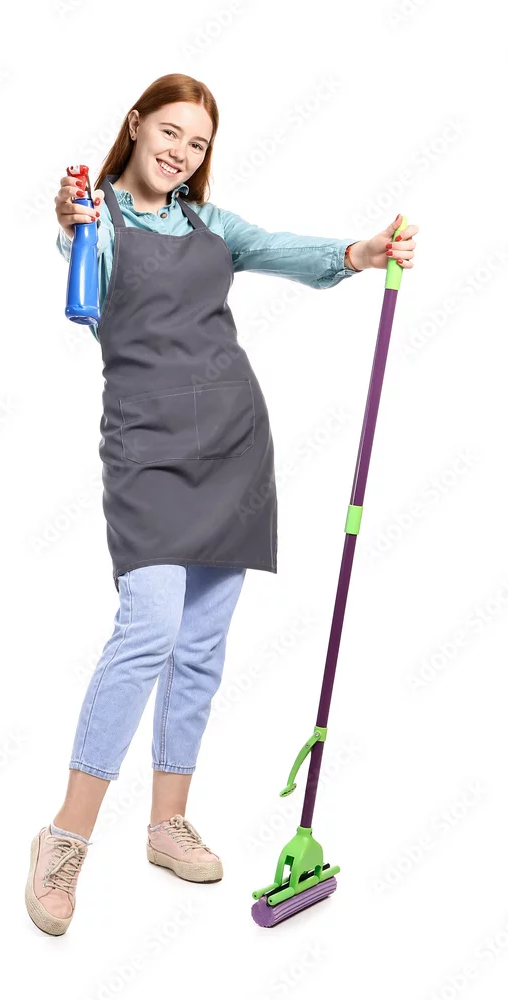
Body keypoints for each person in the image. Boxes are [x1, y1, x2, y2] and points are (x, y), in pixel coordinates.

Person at [24, 73, 418, 937]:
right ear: (135, 125)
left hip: (234, 448)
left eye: (196, 142)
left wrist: (360, 252)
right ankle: (65, 838)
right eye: (168, 131)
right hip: (147, 452)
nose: (180, 151)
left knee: (200, 644)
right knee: (147, 631)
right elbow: (76, 247)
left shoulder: (212, 226)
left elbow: (284, 249)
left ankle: (166, 822)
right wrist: (70, 219)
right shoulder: (100, 221)